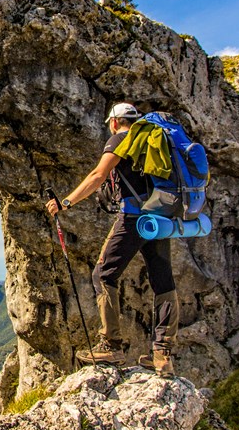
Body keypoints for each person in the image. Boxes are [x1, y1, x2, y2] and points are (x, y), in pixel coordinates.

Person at [45, 102, 179, 376]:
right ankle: (162, 355)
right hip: (159, 218)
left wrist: (65, 202)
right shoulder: (155, 139)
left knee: (103, 275)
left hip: (132, 218)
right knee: (163, 280)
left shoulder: (121, 138)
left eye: (110, 124)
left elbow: (98, 175)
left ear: (116, 121)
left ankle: (111, 345)